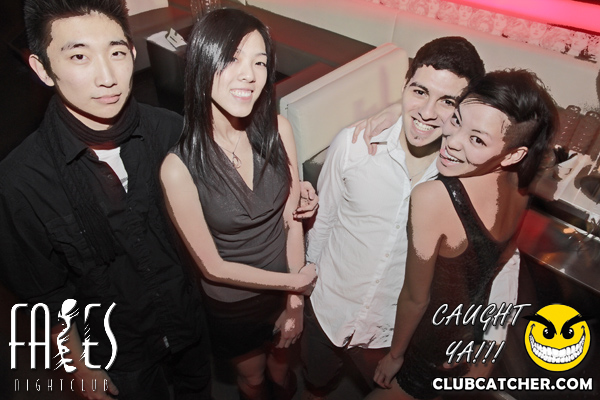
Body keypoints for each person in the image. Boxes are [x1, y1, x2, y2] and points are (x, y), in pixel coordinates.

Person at [0, 2, 319, 400]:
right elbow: (43, 294)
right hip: (118, 348)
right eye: (79, 56)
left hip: (189, 324)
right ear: (43, 69)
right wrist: (77, 366)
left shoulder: (171, 132)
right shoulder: (21, 181)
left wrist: (295, 192)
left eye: (116, 52)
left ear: (133, 54)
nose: (106, 77)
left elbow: (225, 199)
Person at [302, 37, 491, 399]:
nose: (427, 112)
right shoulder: (354, 146)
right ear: (405, 85)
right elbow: (322, 223)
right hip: (327, 310)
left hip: (390, 331)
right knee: (315, 386)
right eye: (420, 91)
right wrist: (305, 293)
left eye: (447, 102)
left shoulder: (463, 179)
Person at [368, 69, 556, 400]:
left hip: (429, 348)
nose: (452, 142)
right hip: (469, 337)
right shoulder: (520, 184)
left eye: (477, 139)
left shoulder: (433, 198)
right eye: (456, 121)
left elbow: (415, 298)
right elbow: (494, 266)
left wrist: (396, 355)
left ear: (514, 154)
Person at [159, 9, 317, 400]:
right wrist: (296, 284)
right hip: (234, 303)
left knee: (282, 369)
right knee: (253, 379)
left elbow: (292, 219)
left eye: (259, 62)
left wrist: (294, 302)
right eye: (232, 59)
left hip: (285, 283)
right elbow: (212, 267)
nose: (249, 74)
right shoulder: (178, 168)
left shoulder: (278, 130)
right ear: (203, 63)